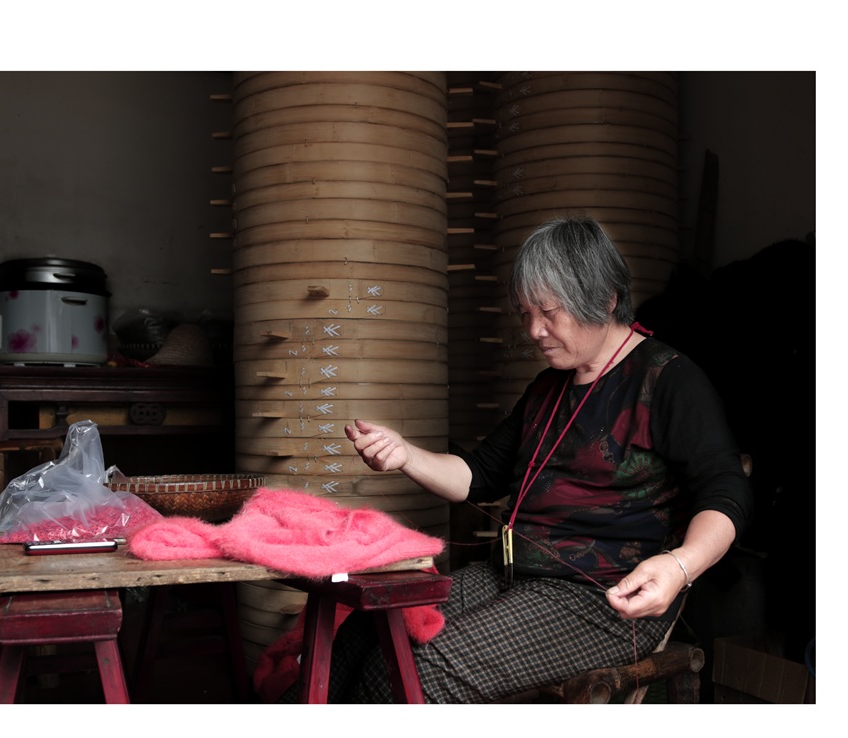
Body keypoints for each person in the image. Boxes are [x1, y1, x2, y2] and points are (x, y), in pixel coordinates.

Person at [319, 215, 754, 703]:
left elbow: (726, 491)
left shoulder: (668, 380)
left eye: (549, 312)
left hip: (599, 599)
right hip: (509, 576)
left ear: (606, 299)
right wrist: (405, 454)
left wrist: (679, 566)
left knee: (417, 670)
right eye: (525, 313)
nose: (534, 330)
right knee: (367, 629)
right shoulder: (549, 387)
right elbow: (478, 476)